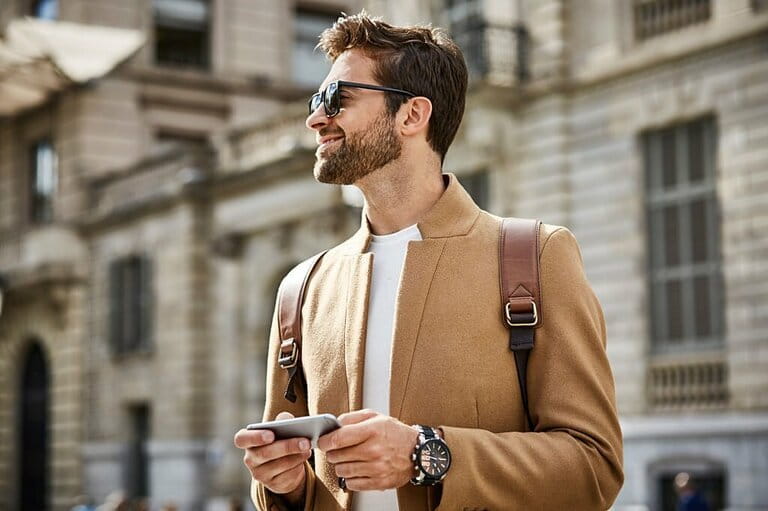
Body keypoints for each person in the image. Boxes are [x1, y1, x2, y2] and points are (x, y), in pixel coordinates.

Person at [234, 11, 624, 511]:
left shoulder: (536, 256)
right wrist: (282, 484)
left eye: (337, 99)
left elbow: (594, 468)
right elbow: (296, 485)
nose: (315, 119)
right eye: (316, 101)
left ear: (412, 115)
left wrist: (425, 454)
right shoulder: (301, 288)